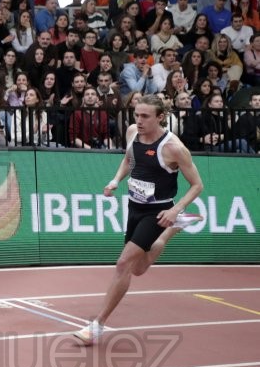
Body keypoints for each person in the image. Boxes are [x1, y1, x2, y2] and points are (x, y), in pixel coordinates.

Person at [73, 94, 204, 345]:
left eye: (145, 116)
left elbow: (197, 185)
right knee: (139, 268)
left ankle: (96, 325)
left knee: (123, 264)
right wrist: (115, 180)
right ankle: (169, 232)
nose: (139, 120)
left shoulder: (174, 148)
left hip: (157, 211)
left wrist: (176, 209)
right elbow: (128, 159)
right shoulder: (133, 132)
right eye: (137, 115)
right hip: (134, 207)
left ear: (160, 117)